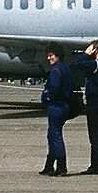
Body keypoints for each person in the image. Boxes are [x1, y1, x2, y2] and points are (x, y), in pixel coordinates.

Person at [70, 40, 98, 174]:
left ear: (95, 50)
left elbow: (77, 64)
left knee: (94, 135)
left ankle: (95, 166)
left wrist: (86, 54)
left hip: (93, 101)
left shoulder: (95, 64)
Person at [39, 45, 72, 176]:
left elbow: (54, 87)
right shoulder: (65, 68)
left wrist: (46, 96)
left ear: (58, 55)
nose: (49, 58)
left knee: (55, 136)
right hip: (64, 105)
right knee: (52, 135)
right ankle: (49, 165)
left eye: (51, 55)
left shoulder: (56, 70)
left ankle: (61, 167)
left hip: (57, 106)